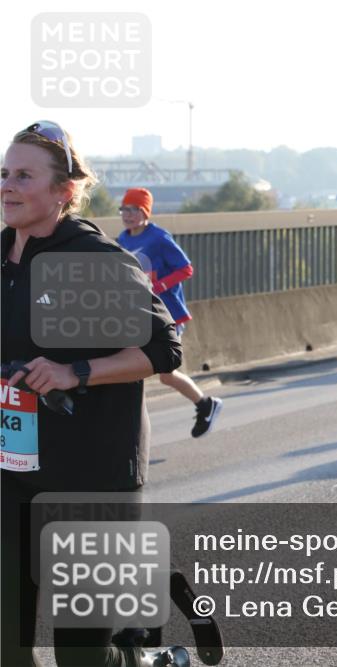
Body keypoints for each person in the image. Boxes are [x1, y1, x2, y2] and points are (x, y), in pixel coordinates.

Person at [2, 122, 184, 665]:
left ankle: (138, 658)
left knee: (81, 655)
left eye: (24, 176)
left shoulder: (94, 260)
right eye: (4, 174)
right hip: (11, 479)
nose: (8, 186)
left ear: (63, 190)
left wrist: (72, 372)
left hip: (89, 479)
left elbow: (162, 350)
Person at [115, 188, 223, 437]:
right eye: (124, 209)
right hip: (140, 314)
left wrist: (160, 286)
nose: (127, 215)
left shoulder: (159, 238)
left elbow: (186, 269)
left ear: (145, 212)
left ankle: (205, 405)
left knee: (165, 373)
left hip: (168, 314)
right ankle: (128, 428)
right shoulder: (122, 239)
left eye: (133, 210)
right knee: (131, 368)